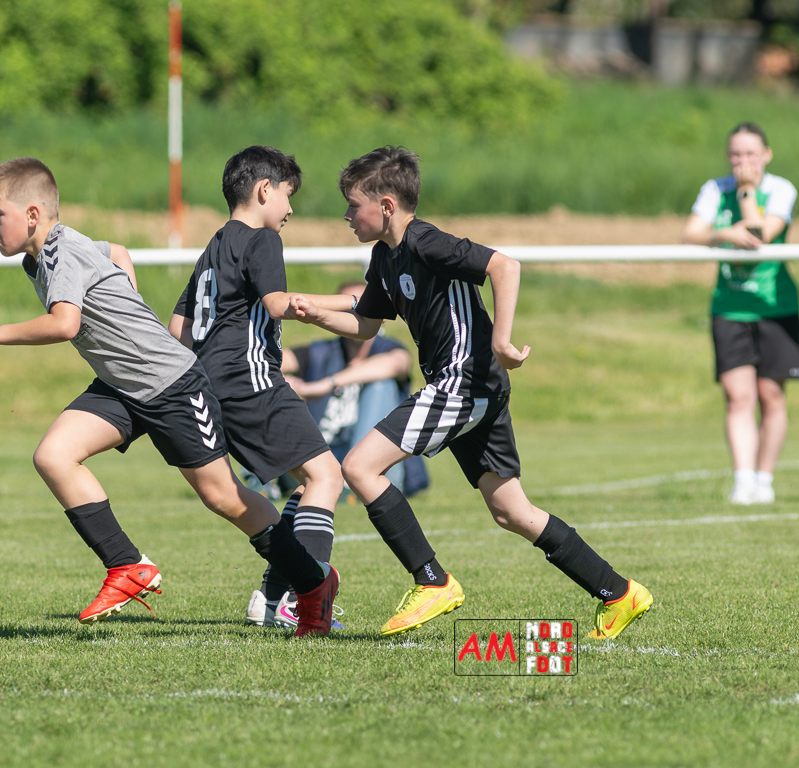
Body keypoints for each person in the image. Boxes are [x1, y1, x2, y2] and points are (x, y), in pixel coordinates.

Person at [0, 157, 339, 636]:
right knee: (53, 455)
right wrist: (129, 302)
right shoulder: (51, 250)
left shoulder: (62, 251)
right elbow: (116, 251)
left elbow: (65, 324)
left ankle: (313, 583)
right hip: (122, 384)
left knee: (223, 497)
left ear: (32, 215)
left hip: (172, 384)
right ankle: (126, 565)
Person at [286, 146, 652, 640]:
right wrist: (312, 313)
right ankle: (620, 593)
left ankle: (432, 581)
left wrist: (501, 340)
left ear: (387, 206)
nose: (347, 216)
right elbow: (367, 322)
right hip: (471, 387)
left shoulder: (426, 241)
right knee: (512, 512)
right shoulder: (385, 257)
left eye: (353, 205)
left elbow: (505, 266)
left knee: (359, 466)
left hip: (464, 381)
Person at [168, 146, 346, 630]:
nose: (290, 209)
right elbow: (276, 303)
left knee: (306, 482)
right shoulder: (262, 239)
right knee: (328, 477)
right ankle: (300, 597)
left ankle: (270, 598)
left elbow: (179, 328)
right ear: (265, 190)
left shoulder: (212, 248)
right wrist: (350, 302)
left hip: (211, 386)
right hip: (252, 381)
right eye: (288, 196)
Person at [682, 123, 799, 505]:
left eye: (750, 154)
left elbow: (760, 234)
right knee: (738, 396)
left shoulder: (780, 189)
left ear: (766, 155)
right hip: (729, 307)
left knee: (771, 395)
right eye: (735, 154)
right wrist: (722, 234)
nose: (742, 161)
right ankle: (743, 479)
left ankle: (764, 479)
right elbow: (690, 234)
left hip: (776, 305)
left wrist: (747, 191)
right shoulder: (714, 189)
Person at [282, 280, 429, 498]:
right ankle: (262, 481)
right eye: (346, 308)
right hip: (325, 459)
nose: (354, 315)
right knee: (268, 386)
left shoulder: (388, 349)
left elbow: (396, 364)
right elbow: (266, 362)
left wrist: (325, 385)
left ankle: (354, 482)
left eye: (361, 307)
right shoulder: (320, 353)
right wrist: (286, 383)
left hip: (376, 468)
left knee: (381, 385)